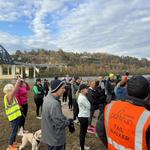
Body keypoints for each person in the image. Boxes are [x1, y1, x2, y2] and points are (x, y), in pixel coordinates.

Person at [96, 76, 150, 149]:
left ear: (127, 89)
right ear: (147, 93)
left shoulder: (110, 106)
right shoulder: (147, 118)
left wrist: (109, 146)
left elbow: (100, 130)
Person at [41, 79, 74, 150]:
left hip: (49, 135)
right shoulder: (54, 103)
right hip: (55, 139)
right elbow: (59, 124)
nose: (64, 90)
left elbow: (56, 116)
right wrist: (69, 122)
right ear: (56, 89)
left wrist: (65, 118)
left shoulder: (48, 97)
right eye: (62, 88)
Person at [3, 79, 22, 150]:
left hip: (15, 116)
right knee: (14, 131)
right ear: (9, 90)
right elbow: (15, 90)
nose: (13, 90)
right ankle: (10, 145)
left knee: (15, 130)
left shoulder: (10, 96)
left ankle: (13, 143)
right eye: (12, 88)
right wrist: (18, 82)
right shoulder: (8, 96)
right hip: (13, 117)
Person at [77, 84, 91, 150]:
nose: (87, 89)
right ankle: (82, 148)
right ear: (82, 90)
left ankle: (82, 146)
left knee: (83, 133)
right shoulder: (82, 98)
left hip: (83, 116)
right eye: (86, 88)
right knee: (82, 134)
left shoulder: (82, 96)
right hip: (83, 117)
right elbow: (89, 106)